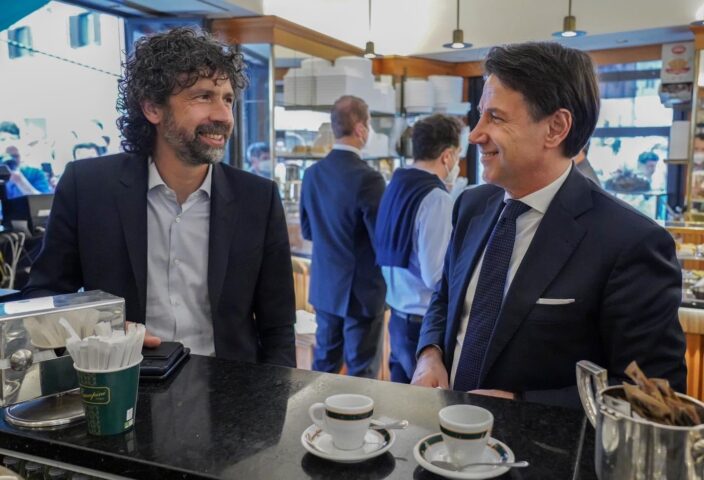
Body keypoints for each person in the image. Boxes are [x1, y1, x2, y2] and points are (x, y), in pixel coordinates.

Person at [411, 42, 686, 408]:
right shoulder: (471, 205)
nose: (475, 135)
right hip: (447, 428)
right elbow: (445, 297)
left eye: (495, 117)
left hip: (543, 443)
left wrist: (520, 405)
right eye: (480, 116)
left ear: (556, 128)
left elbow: (653, 392)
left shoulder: (630, 241)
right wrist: (430, 353)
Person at [22, 27, 296, 367]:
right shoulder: (88, 187)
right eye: (203, 96)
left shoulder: (258, 198)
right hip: (124, 381)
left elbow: (278, 328)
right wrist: (99, 328)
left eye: (227, 99)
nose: (223, 116)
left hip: (231, 386)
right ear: (153, 108)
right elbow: (44, 297)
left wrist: (273, 397)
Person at [300, 95, 386, 378]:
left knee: (322, 370)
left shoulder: (312, 174)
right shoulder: (370, 178)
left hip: (325, 288)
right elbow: (382, 241)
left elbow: (308, 231)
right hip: (362, 291)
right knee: (362, 375)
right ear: (361, 128)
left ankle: (317, 408)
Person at [374, 114, 460, 383]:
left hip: (397, 316)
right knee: (428, 403)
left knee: (401, 402)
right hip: (421, 324)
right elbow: (435, 276)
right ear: (447, 156)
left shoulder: (396, 184)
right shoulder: (437, 198)